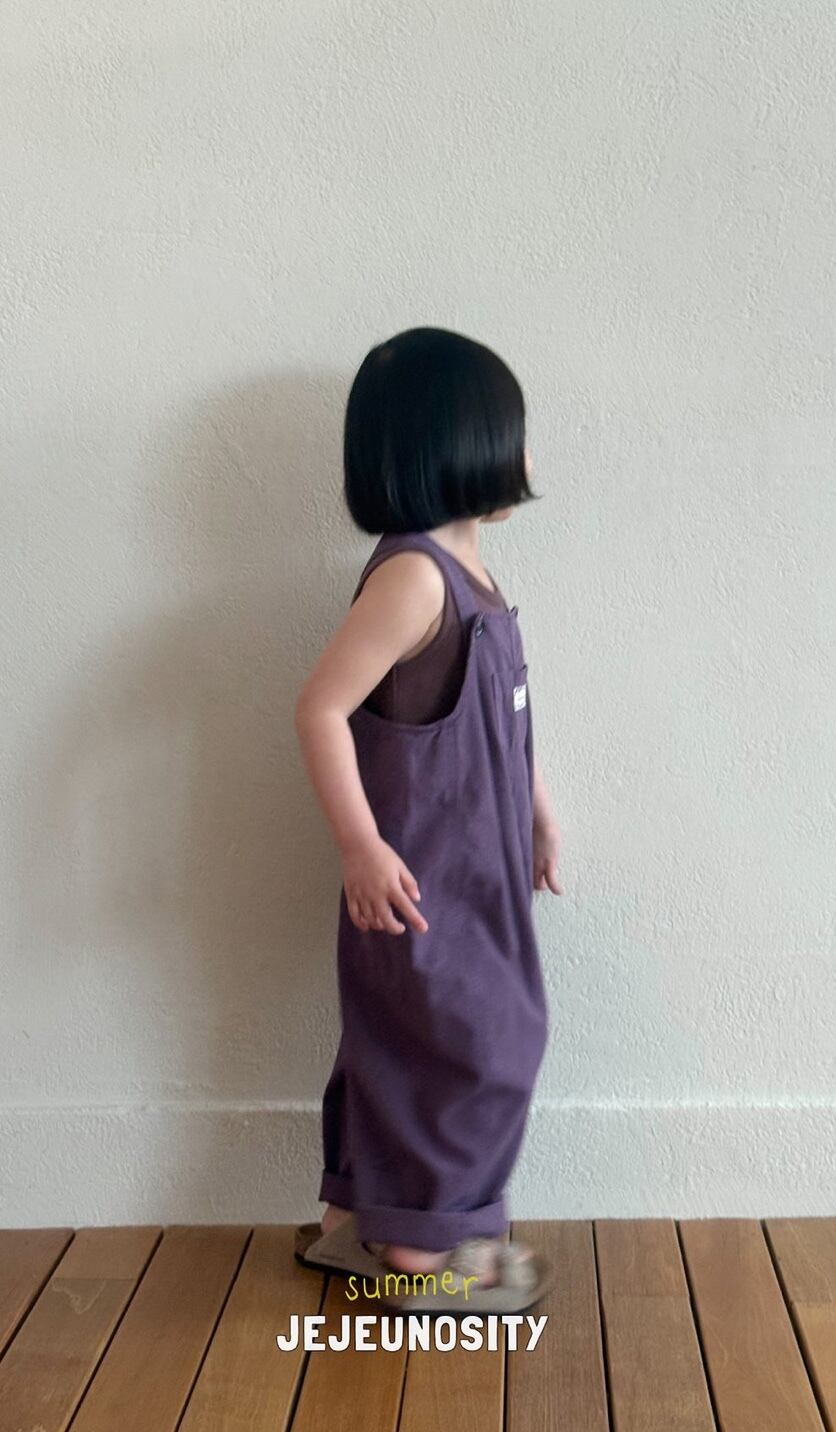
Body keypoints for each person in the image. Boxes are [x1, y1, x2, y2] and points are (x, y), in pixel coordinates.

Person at [293, 327, 563, 1313]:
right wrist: (360, 847)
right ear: (449, 444)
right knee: (468, 1045)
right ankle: (418, 1251)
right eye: (508, 434)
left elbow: (508, 719)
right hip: (421, 879)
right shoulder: (412, 580)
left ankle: (354, 1219)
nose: (523, 456)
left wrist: (536, 812)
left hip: (476, 868)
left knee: (407, 1044)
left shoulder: (472, 577)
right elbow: (320, 709)